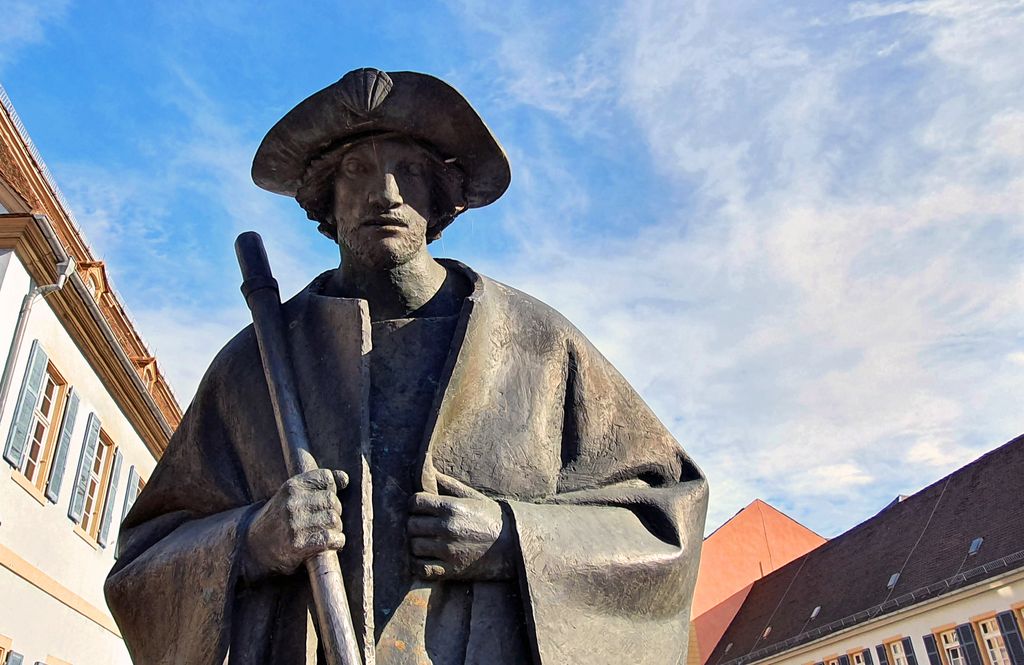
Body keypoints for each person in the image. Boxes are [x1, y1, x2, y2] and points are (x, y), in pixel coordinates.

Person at [105, 68, 708, 665]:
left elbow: (667, 520)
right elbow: (142, 565)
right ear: (327, 201)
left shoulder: (537, 345)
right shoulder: (254, 364)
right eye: (356, 171)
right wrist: (251, 541)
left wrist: (510, 539)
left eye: (410, 171)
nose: (385, 193)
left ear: (440, 197)